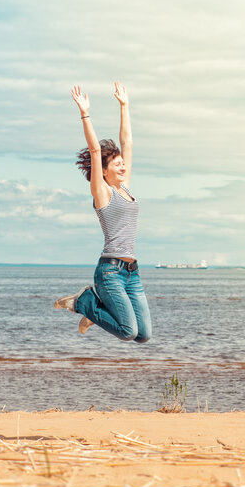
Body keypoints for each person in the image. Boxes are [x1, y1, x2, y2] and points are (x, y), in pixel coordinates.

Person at [54, 82, 152, 343]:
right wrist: (85, 113)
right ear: (104, 171)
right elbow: (96, 150)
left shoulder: (125, 188)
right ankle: (82, 301)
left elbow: (127, 141)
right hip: (109, 271)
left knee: (143, 335)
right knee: (127, 332)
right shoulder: (103, 193)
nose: (122, 167)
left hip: (132, 272)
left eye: (123, 163)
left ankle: (94, 312)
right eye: (117, 165)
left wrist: (124, 105)